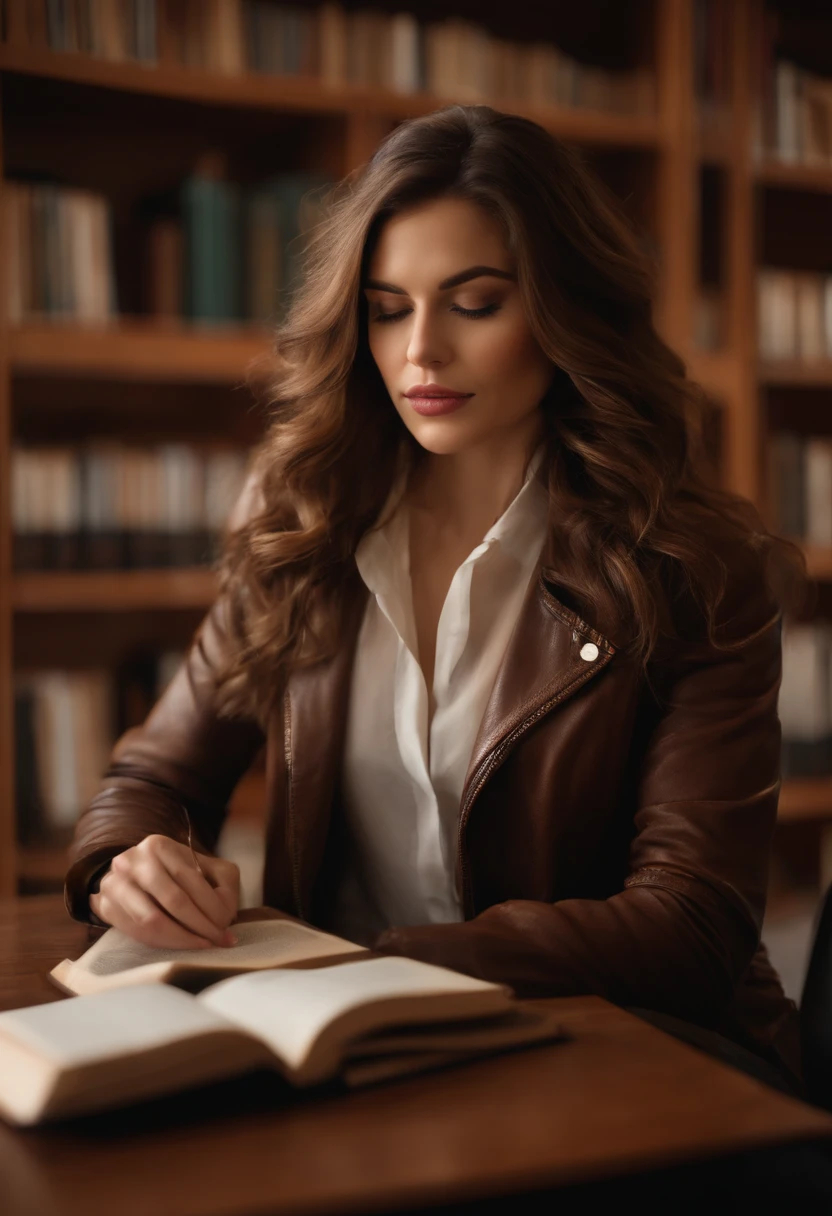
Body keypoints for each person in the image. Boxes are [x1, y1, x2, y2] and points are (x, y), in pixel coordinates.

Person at [65, 104, 806, 1095]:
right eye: (385, 306)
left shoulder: (695, 566)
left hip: (634, 1056)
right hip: (358, 1052)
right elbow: (155, 774)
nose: (420, 352)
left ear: (560, 309)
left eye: (474, 302)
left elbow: (688, 924)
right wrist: (134, 857)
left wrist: (370, 960)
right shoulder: (307, 525)